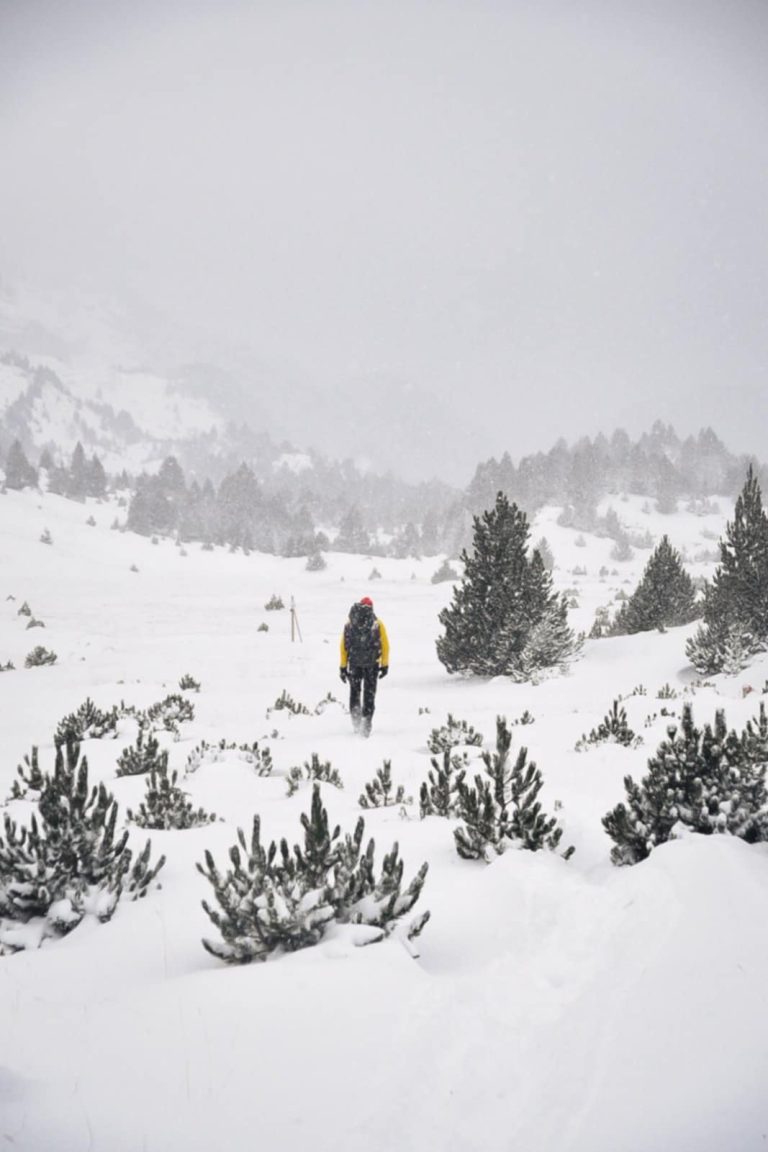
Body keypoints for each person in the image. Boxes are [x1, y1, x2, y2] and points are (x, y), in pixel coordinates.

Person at [339, 597, 389, 736]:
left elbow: (343, 647)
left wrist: (343, 667)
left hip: (354, 664)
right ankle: (366, 724)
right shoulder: (377, 624)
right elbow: (385, 645)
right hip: (372, 665)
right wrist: (384, 665)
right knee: (369, 694)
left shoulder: (350, 624)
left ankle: (356, 723)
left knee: (355, 693)